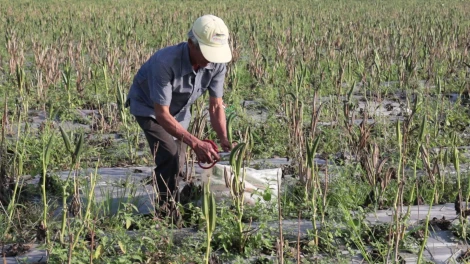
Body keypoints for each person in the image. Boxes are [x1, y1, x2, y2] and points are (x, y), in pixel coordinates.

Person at [125, 14, 233, 207]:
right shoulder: (165, 63)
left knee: (180, 160)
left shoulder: (217, 64)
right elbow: (161, 114)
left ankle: (176, 195)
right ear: (191, 43)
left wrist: (224, 138)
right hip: (150, 108)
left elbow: (216, 105)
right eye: (208, 54)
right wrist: (196, 143)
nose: (211, 61)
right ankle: (166, 208)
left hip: (179, 109)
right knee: (170, 155)